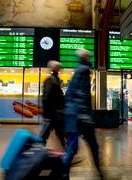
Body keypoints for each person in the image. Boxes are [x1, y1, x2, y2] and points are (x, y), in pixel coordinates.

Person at [62, 48, 104, 180]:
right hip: (81, 117)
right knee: (93, 146)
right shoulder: (84, 70)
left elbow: (71, 94)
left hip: (73, 116)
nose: (90, 58)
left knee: (72, 148)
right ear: (85, 57)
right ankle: (101, 175)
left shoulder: (78, 70)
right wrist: (85, 115)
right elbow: (81, 95)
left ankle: (64, 175)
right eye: (88, 56)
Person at [41, 60, 65, 147]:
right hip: (52, 114)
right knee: (45, 135)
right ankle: (38, 153)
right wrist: (47, 114)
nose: (60, 69)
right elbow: (46, 97)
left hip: (55, 113)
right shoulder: (51, 80)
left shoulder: (55, 79)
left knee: (60, 134)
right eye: (59, 68)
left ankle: (68, 154)